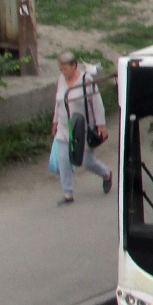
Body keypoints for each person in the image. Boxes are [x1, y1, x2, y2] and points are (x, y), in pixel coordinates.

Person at [51, 51, 110, 205]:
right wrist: (55, 122)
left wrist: (100, 125)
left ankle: (105, 173)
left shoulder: (86, 80)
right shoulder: (61, 80)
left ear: (74, 65)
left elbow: (97, 104)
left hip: (82, 128)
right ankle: (68, 193)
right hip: (65, 127)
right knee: (63, 159)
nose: (63, 72)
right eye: (61, 69)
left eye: (66, 68)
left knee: (86, 160)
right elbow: (59, 102)